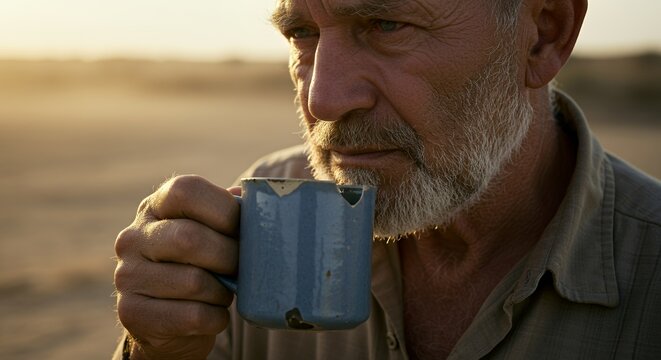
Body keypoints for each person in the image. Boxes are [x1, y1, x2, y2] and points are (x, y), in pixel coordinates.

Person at [112, 0, 661, 358]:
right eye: (301, 33)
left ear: (543, 35)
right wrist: (156, 348)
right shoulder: (265, 212)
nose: (322, 100)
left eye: (386, 25)